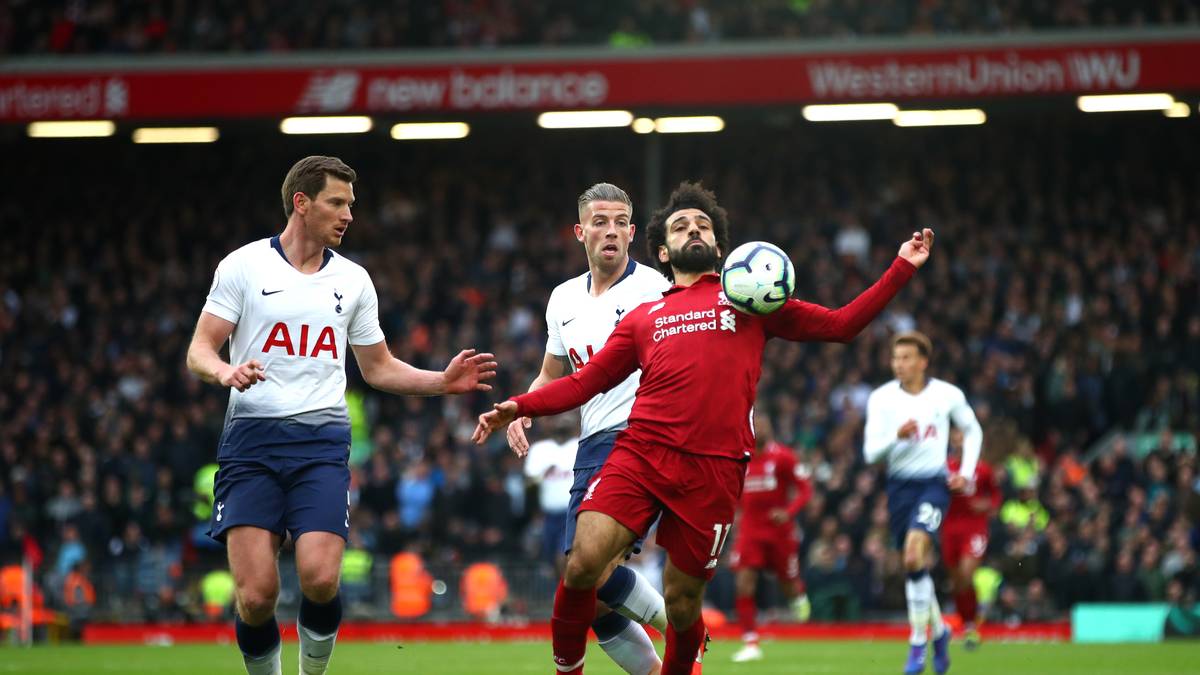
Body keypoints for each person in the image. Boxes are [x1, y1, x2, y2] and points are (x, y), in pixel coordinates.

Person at [475, 181, 932, 675]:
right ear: (664, 252)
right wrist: (519, 405)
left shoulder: (749, 303)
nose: (693, 229)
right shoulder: (645, 316)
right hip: (641, 453)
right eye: (680, 226)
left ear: (718, 247)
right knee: (582, 563)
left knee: (683, 603)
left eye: (703, 225)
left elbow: (842, 325)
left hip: (714, 471)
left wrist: (902, 266)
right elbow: (585, 383)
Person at [186, 155, 497, 675]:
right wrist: (224, 373)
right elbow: (199, 350)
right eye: (337, 202)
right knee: (258, 595)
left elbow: (378, 368)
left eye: (351, 204)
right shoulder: (242, 267)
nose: (348, 214)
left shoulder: (353, 280)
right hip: (250, 444)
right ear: (301, 204)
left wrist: (441, 382)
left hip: (321, 445)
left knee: (321, 578)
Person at [508, 183, 671, 675]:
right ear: (580, 232)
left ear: (632, 233)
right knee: (592, 590)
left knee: (582, 570)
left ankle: (685, 626)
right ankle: (677, 646)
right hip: (591, 443)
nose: (612, 231)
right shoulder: (562, 300)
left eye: (621, 222)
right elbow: (552, 372)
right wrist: (525, 409)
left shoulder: (656, 289)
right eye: (600, 221)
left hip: (642, 436)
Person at [863, 330, 982, 675]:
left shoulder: (946, 395)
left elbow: (973, 430)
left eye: (906, 358)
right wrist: (894, 438)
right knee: (913, 566)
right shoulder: (881, 399)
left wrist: (968, 472)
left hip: (933, 484)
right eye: (895, 358)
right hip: (899, 487)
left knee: (915, 553)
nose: (898, 364)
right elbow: (871, 453)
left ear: (923, 362)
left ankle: (917, 644)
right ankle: (941, 632)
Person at [729, 413, 813, 663]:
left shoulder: (783, 457)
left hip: (779, 533)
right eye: (755, 426)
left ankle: (798, 597)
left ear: (771, 429)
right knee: (744, 583)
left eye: (763, 426)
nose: (759, 430)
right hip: (750, 531)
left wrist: (788, 512)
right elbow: (734, 493)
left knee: (788, 584)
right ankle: (750, 642)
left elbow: (805, 489)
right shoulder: (742, 459)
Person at [942, 428, 999, 650]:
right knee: (957, 582)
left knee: (967, 574)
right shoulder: (944, 468)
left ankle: (973, 622)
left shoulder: (982, 469)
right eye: (954, 437)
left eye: (962, 437)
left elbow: (994, 496)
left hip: (975, 528)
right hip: (949, 528)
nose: (958, 442)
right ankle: (967, 624)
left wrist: (986, 505)